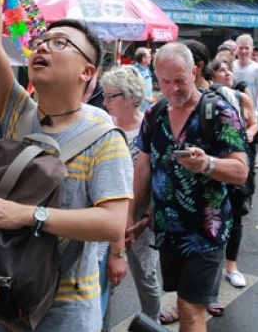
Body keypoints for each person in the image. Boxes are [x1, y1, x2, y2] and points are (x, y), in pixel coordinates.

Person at [0, 0, 132, 332]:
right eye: (42, 40)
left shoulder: (104, 137)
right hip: (3, 296)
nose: (43, 47)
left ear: (87, 72)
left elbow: (111, 223)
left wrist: (28, 216)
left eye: (60, 42)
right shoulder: (16, 114)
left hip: (63, 312)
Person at [128, 42, 248, 332]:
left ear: (194, 71)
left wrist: (208, 164)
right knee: (181, 301)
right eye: (165, 82)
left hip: (206, 232)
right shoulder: (155, 113)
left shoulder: (217, 111)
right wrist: (131, 216)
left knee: (191, 309)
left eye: (180, 80)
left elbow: (241, 171)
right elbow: (144, 165)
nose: (172, 89)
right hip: (168, 230)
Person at [100, 66, 161, 324]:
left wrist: (145, 218)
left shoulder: (150, 129)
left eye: (110, 96)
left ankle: (152, 323)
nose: (104, 102)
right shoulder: (103, 127)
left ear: (130, 97)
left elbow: (159, 178)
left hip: (140, 221)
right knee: (104, 281)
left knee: (145, 278)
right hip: (107, 218)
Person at [205, 56, 258, 315]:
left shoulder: (241, 97)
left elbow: (255, 120)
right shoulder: (208, 100)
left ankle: (232, 266)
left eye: (229, 69)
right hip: (215, 165)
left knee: (235, 216)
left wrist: (251, 131)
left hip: (239, 161)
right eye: (221, 70)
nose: (227, 73)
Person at [232, 34, 258, 162]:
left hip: (251, 117)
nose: (243, 51)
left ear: (252, 49)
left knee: (249, 153)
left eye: (246, 48)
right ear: (236, 49)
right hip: (232, 114)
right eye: (241, 48)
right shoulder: (231, 67)